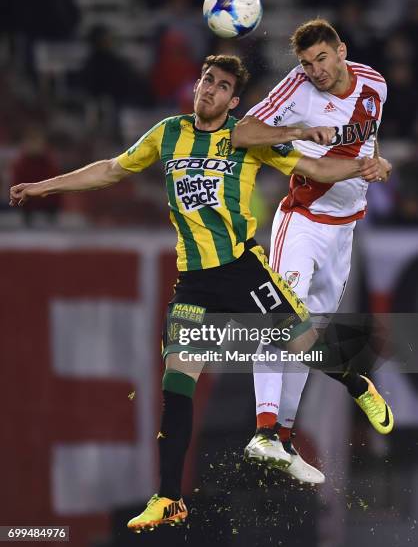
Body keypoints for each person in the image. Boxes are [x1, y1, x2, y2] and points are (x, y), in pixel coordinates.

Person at [10, 54, 389, 532]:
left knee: (303, 345)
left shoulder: (245, 138)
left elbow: (315, 169)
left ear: (234, 100)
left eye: (221, 85)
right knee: (176, 382)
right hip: (194, 280)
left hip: (242, 270)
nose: (209, 89)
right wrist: (44, 188)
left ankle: (360, 386)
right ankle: (169, 497)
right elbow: (110, 169)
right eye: (206, 80)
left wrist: (363, 168)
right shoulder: (167, 133)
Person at [231, 19, 393, 485]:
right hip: (301, 222)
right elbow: (242, 133)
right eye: (306, 63)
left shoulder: (375, 83)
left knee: (310, 339)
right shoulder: (296, 89)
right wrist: (298, 128)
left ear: (341, 51)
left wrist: (376, 162)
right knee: (280, 319)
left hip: (345, 230)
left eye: (322, 59)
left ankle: (282, 436)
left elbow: (366, 140)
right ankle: (264, 430)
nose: (315, 70)